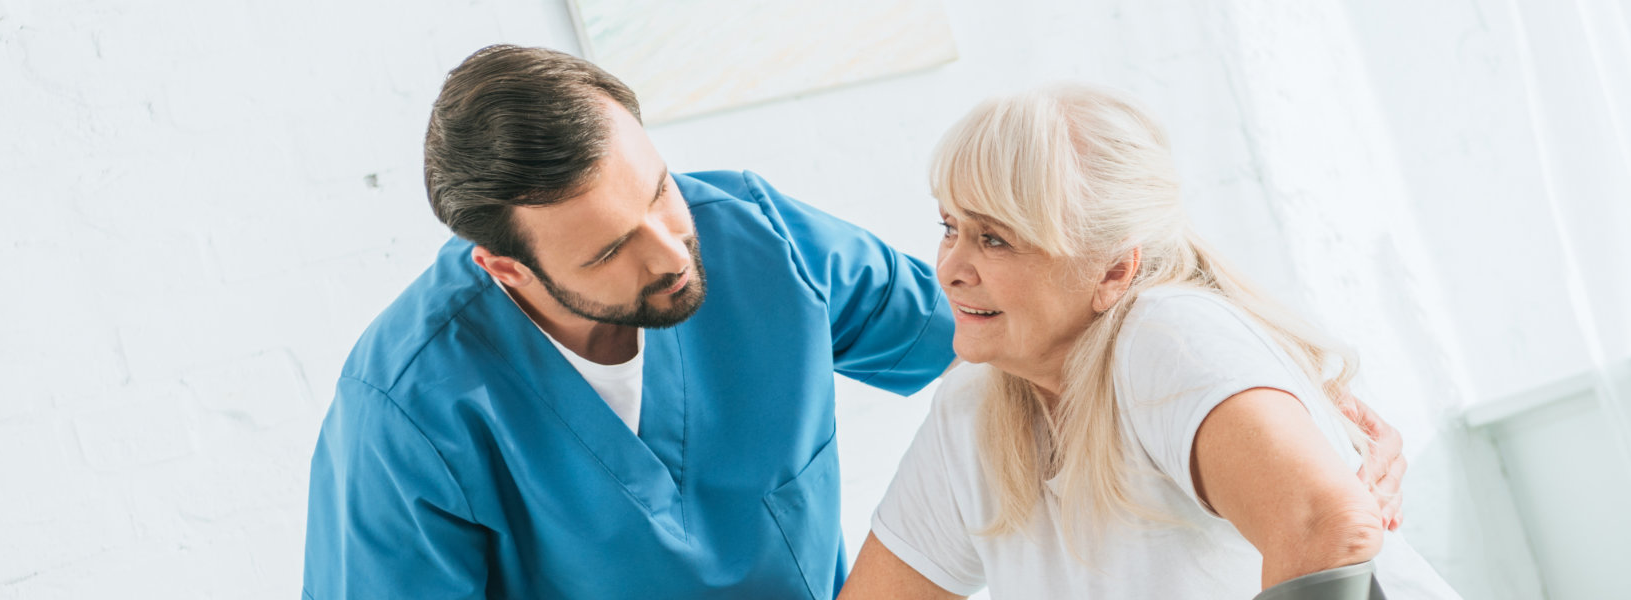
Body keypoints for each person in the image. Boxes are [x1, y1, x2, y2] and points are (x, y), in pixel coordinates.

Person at [301, 46, 1412, 599]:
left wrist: (1279, 401)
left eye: (660, 192)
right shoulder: (410, 415)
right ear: (503, 267)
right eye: (608, 251)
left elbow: (1017, 321)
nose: (670, 249)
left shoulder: (756, 242)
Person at [839, 84, 1459, 599]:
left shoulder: (1166, 339)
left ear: (1112, 272)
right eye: (950, 227)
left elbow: (1330, 528)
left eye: (995, 239)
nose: (949, 267)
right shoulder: (973, 405)